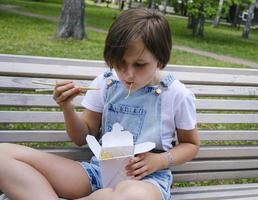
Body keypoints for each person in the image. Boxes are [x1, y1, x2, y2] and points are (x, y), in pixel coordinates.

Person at [0, 8, 200, 200]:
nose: (128, 74)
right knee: (3, 155)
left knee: (133, 196)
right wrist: (67, 107)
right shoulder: (107, 83)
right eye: (120, 63)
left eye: (139, 64)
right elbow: (81, 137)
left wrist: (160, 160)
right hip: (97, 172)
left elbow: (190, 144)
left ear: (161, 59)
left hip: (146, 181)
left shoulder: (176, 94)